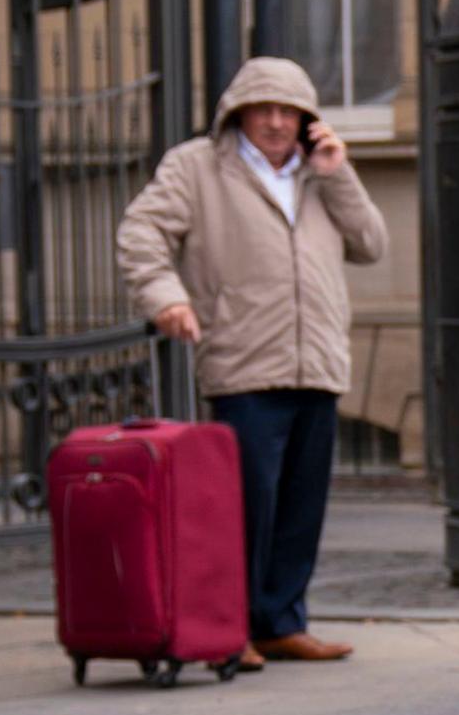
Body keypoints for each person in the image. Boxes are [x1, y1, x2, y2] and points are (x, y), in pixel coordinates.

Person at [114, 56, 385, 666]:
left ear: (306, 119)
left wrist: (338, 174)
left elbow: (371, 243)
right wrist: (167, 298)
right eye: (260, 109)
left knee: (300, 506)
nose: (273, 121)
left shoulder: (320, 173)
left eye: (287, 110)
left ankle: (280, 623)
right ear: (236, 113)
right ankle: (226, 628)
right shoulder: (197, 167)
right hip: (244, 361)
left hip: (317, 360)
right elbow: (141, 233)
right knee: (244, 508)